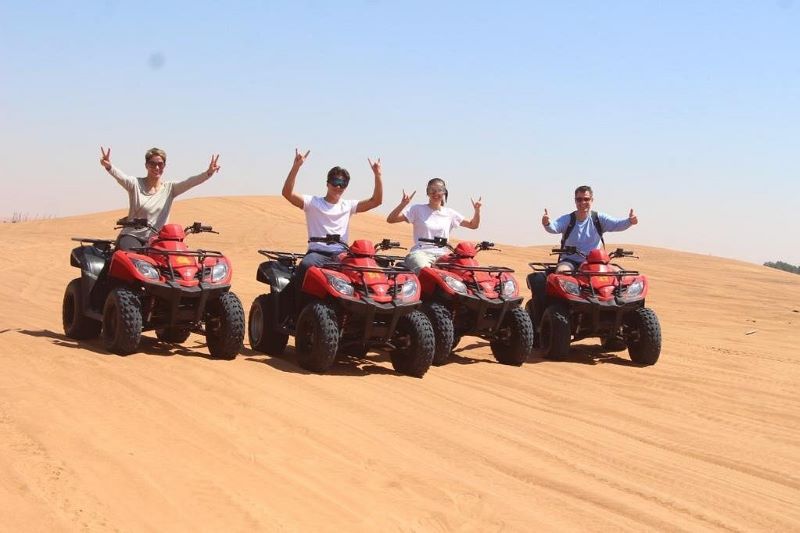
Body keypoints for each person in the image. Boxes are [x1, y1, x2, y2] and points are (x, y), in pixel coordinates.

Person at [281, 148, 383, 290]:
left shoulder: (348, 205)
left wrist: (377, 175)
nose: (338, 186)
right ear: (327, 183)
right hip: (317, 254)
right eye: (335, 181)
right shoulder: (313, 203)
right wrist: (296, 167)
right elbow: (287, 193)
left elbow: (376, 201)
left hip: (341, 255)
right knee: (305, 265)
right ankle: (293, 306)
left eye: (343, 183)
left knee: (366, 272)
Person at [100, 146, 221, 249]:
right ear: (146, 165)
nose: (157, 167)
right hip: (133, 236)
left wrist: (208, 173)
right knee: (129, 261)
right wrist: (109, 166)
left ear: (164, 166)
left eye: (160, 164)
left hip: (157, 240)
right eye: (152, 164)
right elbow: (121, 177)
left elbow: (190, 182)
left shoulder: (170, 189)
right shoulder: (134, 184)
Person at [386, 178, 481, 272]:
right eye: (432, 190)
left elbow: (473, 225)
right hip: (421, 253)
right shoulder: (417, 209)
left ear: (444, 192)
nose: (436, 193)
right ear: (427, 192)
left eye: (439, 190)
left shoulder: (450, 213)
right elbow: (391, 219)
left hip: (444, 255)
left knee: (464, 271)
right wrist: (403, 204)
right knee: (426, 272)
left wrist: (477, 210)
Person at [542, 185, 638, 272]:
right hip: (570, 261)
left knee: (619, 274)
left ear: (592, 200)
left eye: (586, 199)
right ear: (575, 201)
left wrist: (630, 221)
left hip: (595, 262)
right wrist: (546, 223)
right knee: (562, 272)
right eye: (579, 199)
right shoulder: (568, 219)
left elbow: (617, 224)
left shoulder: (599, 218)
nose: (583, 202)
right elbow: (553, 228)